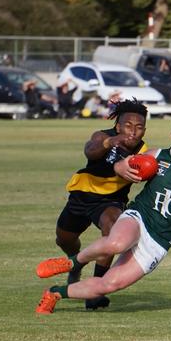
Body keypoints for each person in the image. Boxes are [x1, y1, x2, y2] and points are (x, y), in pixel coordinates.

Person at [35, 114, 171, 314]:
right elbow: (124, 164)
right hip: (138, 217)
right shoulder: (157, 156)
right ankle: (72, 262)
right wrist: (121, 167)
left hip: (159, 241)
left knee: (110, 284)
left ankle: (55, 293)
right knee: (117, 243)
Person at [44, 97, 150, 310]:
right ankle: (75, 264)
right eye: (127, 126)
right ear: (117, 125)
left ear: (144, 130)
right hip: (81, 195)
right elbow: (90, 150)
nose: (132, 131)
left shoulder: (143, 151)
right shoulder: (103, 136)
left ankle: (96, 290)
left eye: (139, 127)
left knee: (112, 227)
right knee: (64, 238)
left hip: (111, 200)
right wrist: (108, 143)